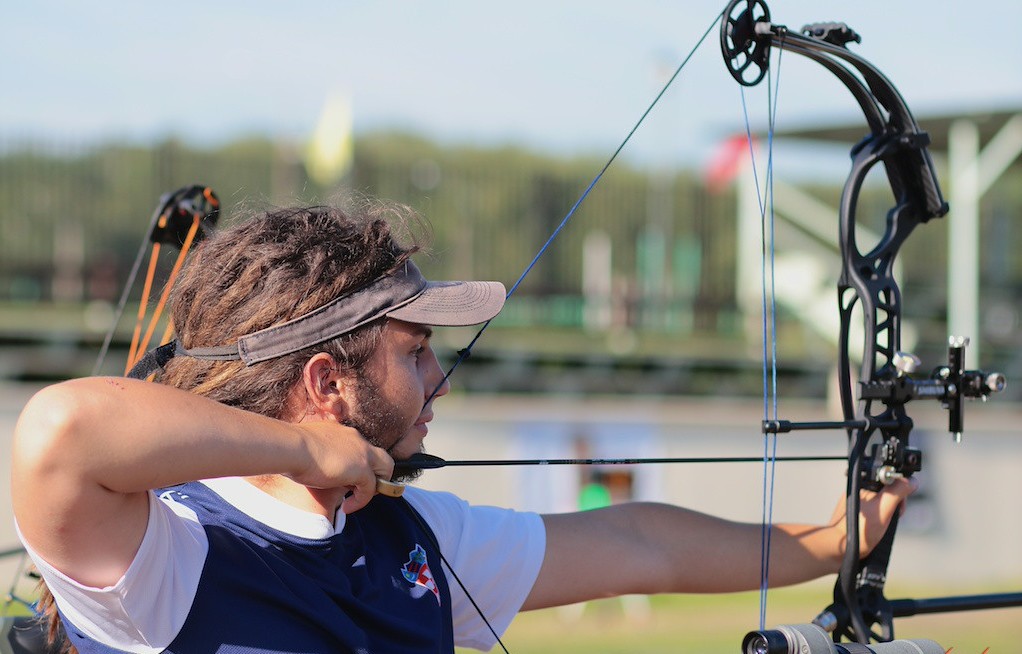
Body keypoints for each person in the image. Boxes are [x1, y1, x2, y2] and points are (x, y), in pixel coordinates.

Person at [11, 201, 914, 654]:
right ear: (325, 382)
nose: (437, 379)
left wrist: (835, 541)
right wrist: (300, 452)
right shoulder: (166, 556)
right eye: (413, 353)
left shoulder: (409, 540)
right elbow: (59, 431)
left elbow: (643, 542)